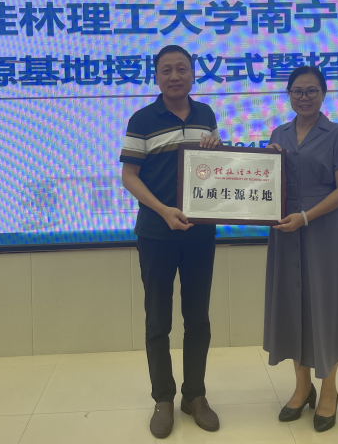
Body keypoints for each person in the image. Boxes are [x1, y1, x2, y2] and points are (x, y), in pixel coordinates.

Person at [264, 65, 338, 433]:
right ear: (288, 95)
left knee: (326, 307)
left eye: (312, 90)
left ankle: (329, 390)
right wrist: (267, 162)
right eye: (297, 91)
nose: (304, 97)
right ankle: (301, 388)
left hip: (324, 229)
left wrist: (306, 217)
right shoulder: (278, 134)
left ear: (323, 94)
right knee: (293, 307)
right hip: (286, 230)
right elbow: (267, 183)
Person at [120, 44, 222, 439]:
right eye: (167, 70)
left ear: (193, 74)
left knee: (198, 318)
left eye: (182, 69)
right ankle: (163, 398)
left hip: (200, 233)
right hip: (156, 233)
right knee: (158, 320)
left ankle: (195, 396)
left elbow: (216, 171)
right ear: (157, 76)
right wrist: (163, 210)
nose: (175, 76)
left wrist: (218, 152)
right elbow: (130, 176)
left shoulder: (206, 115)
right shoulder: (142, 119)